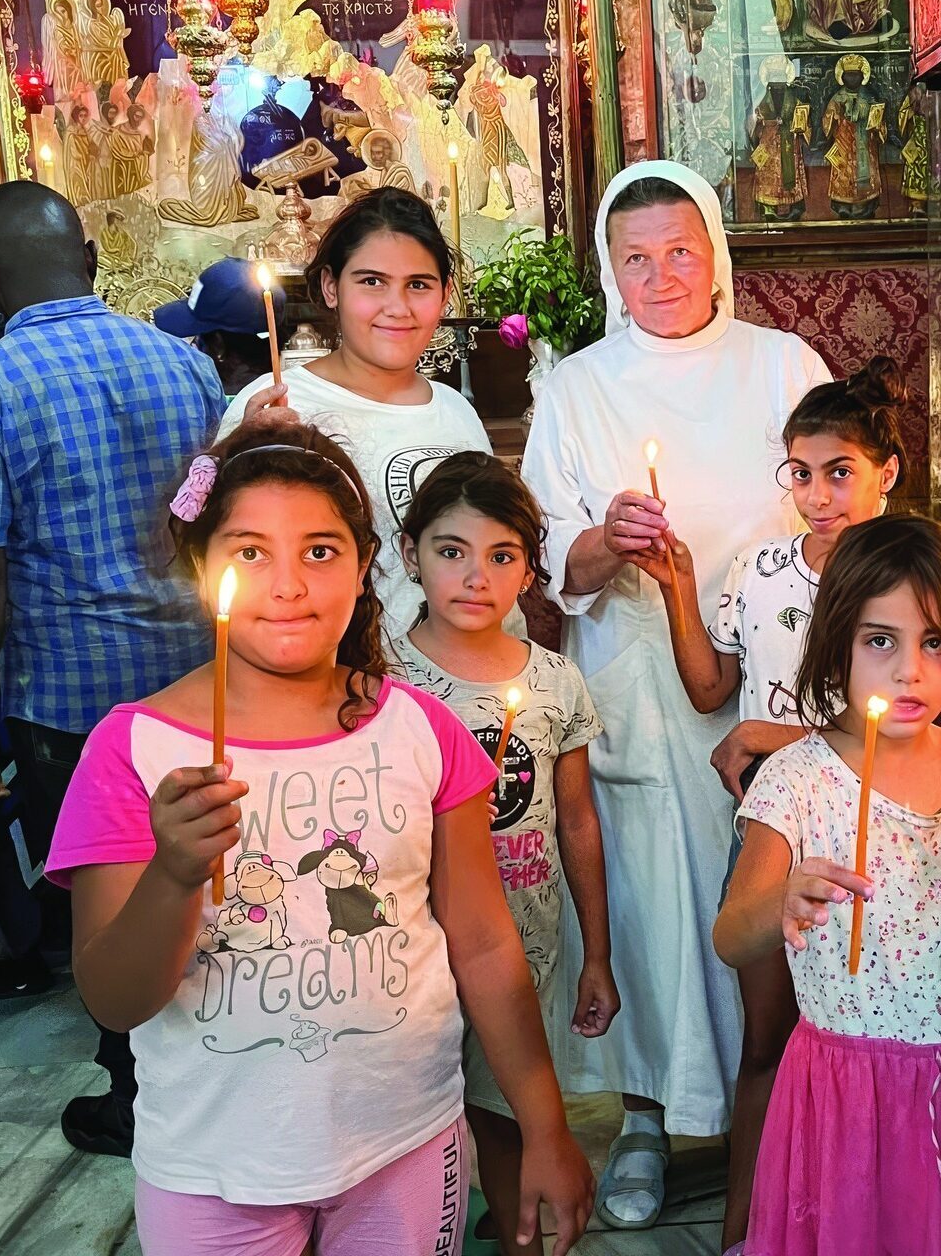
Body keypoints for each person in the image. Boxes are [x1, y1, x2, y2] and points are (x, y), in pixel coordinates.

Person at [44, 422, 593, 1256]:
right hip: (210, 1165)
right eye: (250, 552)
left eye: (321, 551)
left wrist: (544, 1124)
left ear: (366, 560)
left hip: (407, 1141)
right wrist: (174, 875)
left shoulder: (422, 730)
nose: (289, 585)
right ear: (200, 566)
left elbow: (484, 944)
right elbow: (115, 1001)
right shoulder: (133, 750)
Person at [518, 160, 831, 1229]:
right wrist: (609, 539)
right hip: (643, 679)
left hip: (777, 675)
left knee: (779, 889)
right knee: (652, 894)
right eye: (636, 258)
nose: (661, 276)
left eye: (680, 251)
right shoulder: (577, 386)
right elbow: (553, 556)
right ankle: (647, 1114)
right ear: (610, 270)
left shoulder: (781, 362)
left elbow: (834, 496)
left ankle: (782, 1114)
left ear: (715, 255)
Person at [714, 515, 941, 1256]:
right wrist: (782, 903)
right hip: (852, 1102)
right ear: (836, 644)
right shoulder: (797, 782)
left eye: (933, 642)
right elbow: (731, 935)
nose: (910, 670)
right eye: (881, 640)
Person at [636, 357, 906, 1247]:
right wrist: (677, 586)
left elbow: (915, 731)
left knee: (864, 1044)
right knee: (766, 1040)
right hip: (771, 835)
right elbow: (710, 689)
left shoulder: (906, 579)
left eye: (840, 472)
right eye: (801, 472)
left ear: (885, 473)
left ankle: (854, 1222)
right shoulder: (759, 570)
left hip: (877, 838)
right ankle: (744, 1230)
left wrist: (770, 735)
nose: (818, 496)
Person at [0, 181, 224, 1160]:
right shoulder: (184, 362)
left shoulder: (0, 381)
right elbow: (214, 518)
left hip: (67, 693)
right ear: (88, 261)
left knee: (103, 900)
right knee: (201, 881)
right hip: (192, 679)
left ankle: (137, 1094)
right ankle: (211, 1073)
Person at [393, 452, 619, 1253]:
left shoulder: (555, 682)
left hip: (526, 950)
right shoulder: (380, 681)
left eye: (501, 557)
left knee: (508, 1121)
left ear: (529, 570)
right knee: (414, 1132)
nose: (474, 577)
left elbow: (577, 823)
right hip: (411, 954)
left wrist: (597, 956)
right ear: (410, 552)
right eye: (450, 551)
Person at [219, 187, 494, 637]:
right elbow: (228, 558)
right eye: (371, 282)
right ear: (332, 287)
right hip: (343, 669)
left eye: (418, 285)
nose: (397, 308)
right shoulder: (281, 403)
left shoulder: (456, 410)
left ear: (445, 294)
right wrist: (244, 453)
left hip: (469, 666)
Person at [154, 255, 286, 396]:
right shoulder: (289, 392)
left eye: (197, 338)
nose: (193, 346)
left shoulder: (206, 401)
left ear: (218, 345)